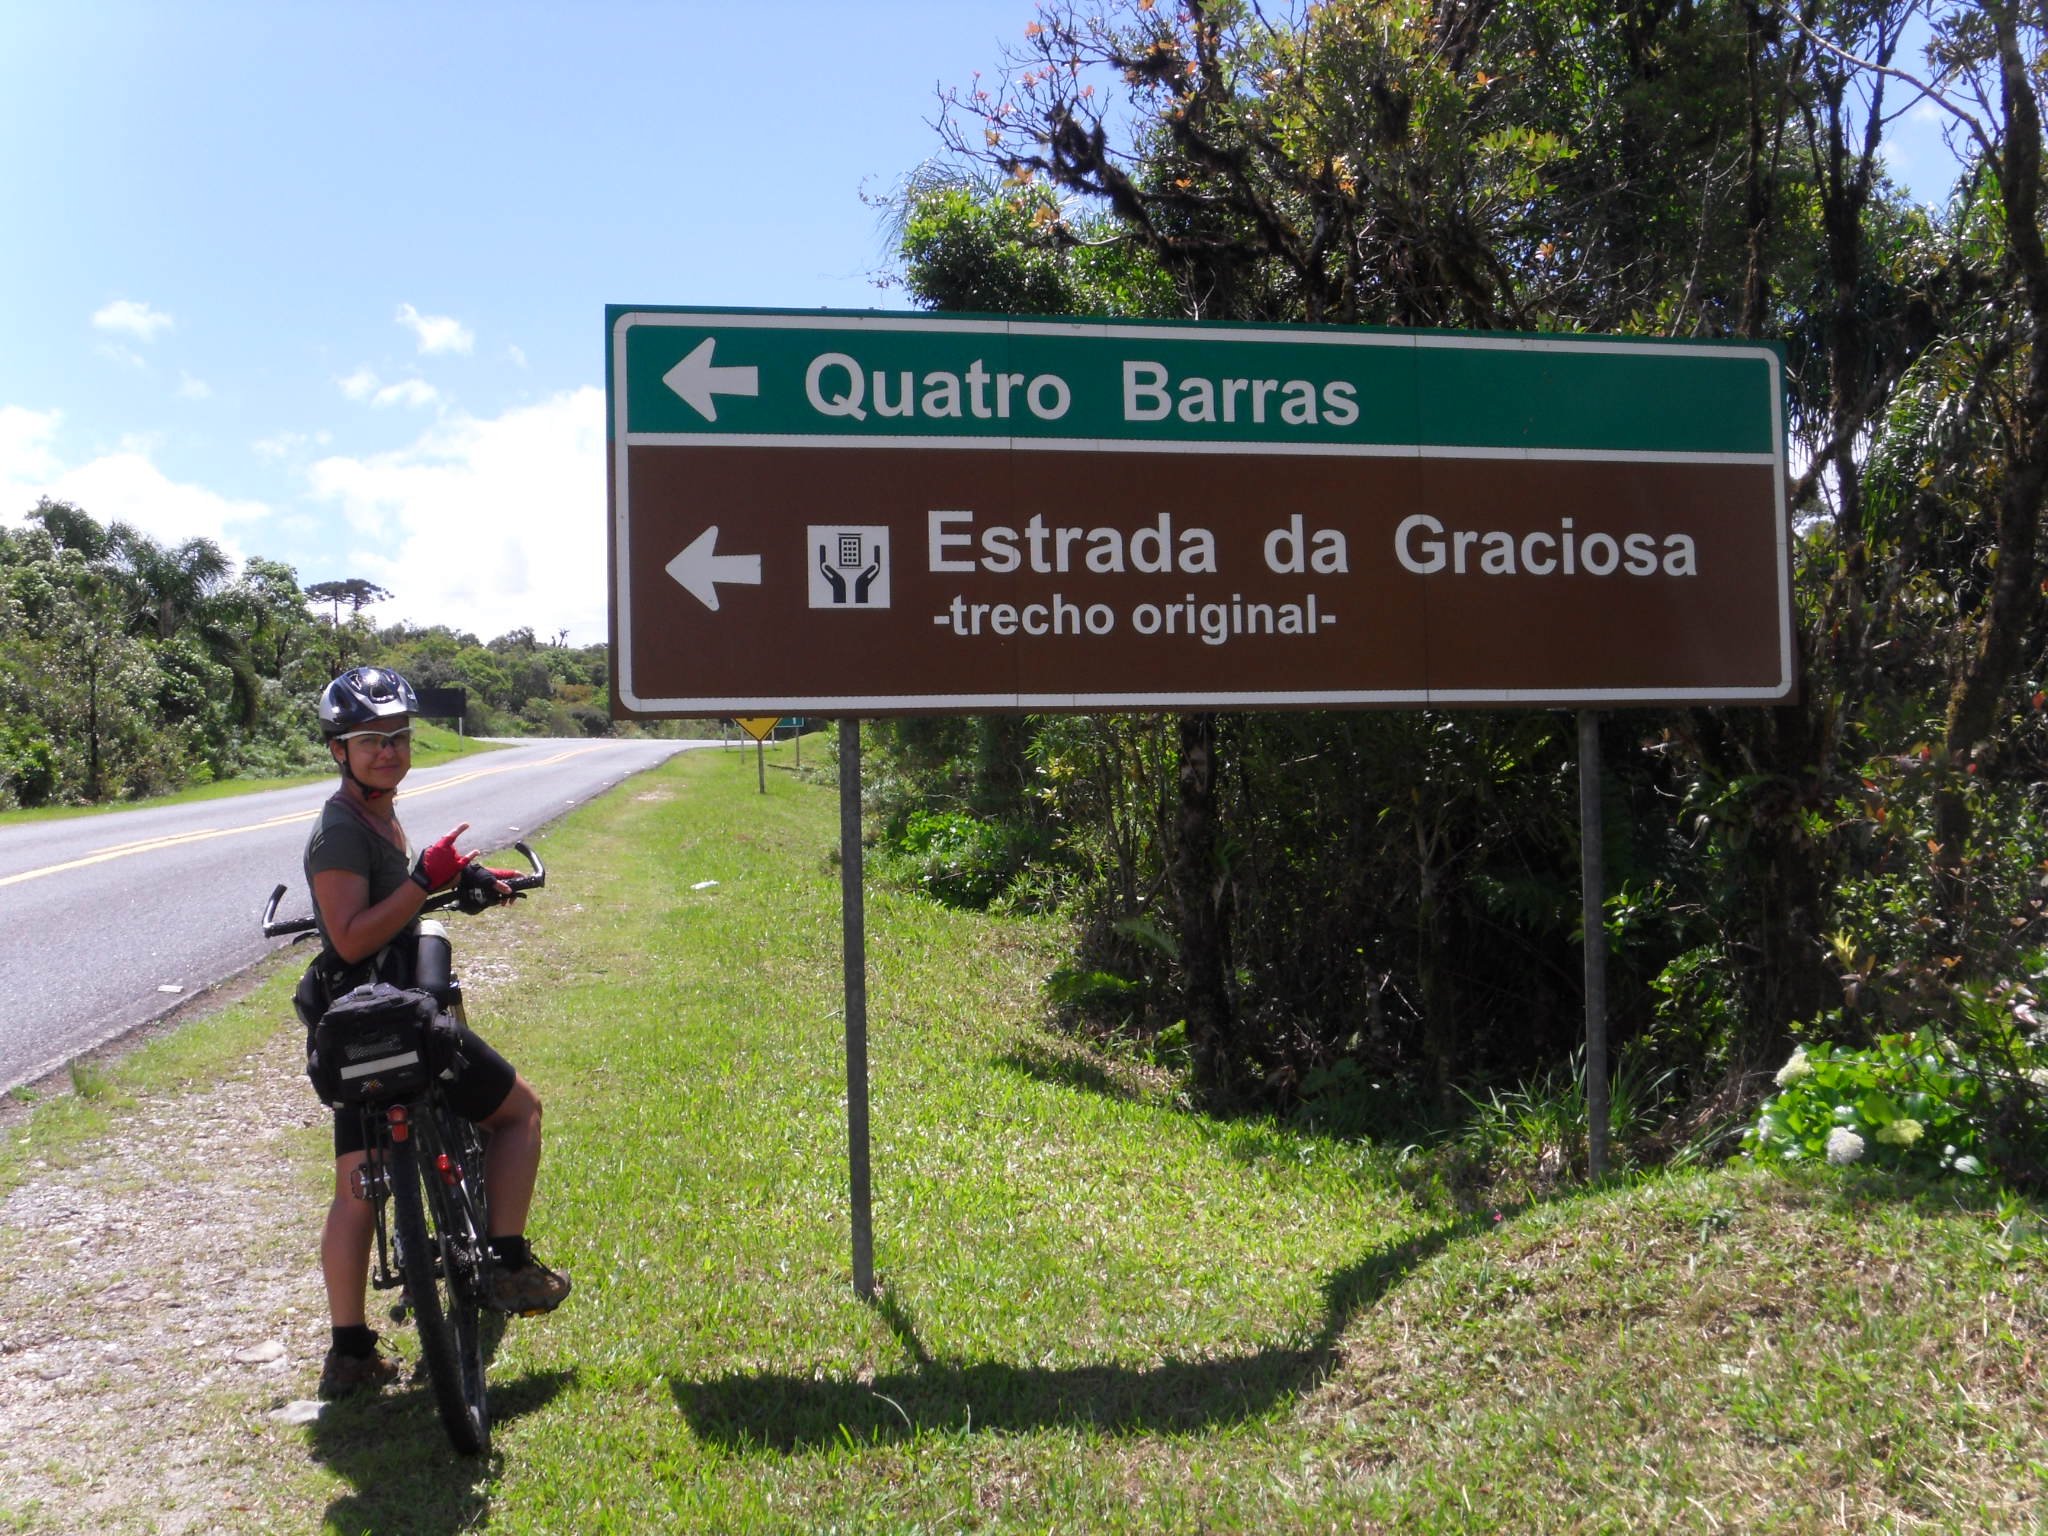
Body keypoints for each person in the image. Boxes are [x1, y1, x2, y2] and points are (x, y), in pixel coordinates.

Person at [301, 665, 570, 1400]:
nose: (388, 751)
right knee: (520, 1113)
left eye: (398, 737)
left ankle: (350, 1350)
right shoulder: (337, 833)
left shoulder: (372, 814)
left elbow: (392, 903)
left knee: (358, 1186)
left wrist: (463, 881)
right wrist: (425, 880)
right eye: (369, 741)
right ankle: (510, 1263)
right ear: (338, 750)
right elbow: (353, 939)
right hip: (387, 1019)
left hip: (360, 1026)